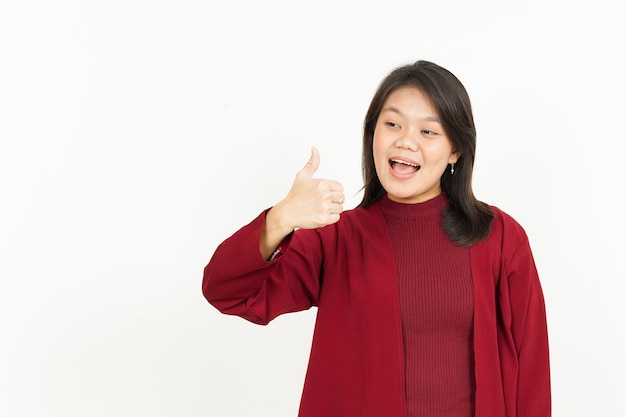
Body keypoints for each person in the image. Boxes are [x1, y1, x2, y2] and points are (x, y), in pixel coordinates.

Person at [202, 60, 551, 417]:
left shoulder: (501, 237)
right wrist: (280, 219)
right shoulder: (336, 239)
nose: (405, 141)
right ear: (374, 135)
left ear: (455, 151)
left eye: (428, 132)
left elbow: (531, 366)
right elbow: (226, 292)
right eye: (392, 124)